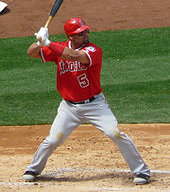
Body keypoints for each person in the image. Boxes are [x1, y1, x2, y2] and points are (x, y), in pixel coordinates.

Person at [23, 17, 150, 185]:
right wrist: (39, 41)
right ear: (71, 37)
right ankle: (33, 169)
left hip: (95, 105)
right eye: (81, 33)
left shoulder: (93, 50)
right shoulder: (59, 48)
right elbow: (31, 53)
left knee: (115, 133)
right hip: (69, 107)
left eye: (85, 31)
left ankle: (141, 171)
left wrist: (48, 43)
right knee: (53, 140)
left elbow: (75, 56)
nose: (86, 34)